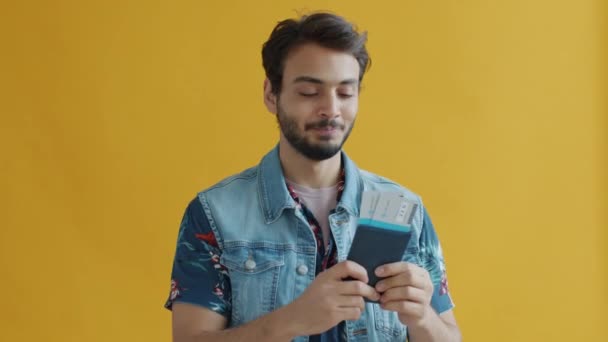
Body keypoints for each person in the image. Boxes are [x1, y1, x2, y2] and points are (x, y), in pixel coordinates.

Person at [165, 12, 461, 342]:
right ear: (271, 95)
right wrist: (291, 320)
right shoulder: (213, 214)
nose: (331, 109)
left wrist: (422, 318)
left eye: (346, 93)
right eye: (309, 92)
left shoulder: (406, 210)